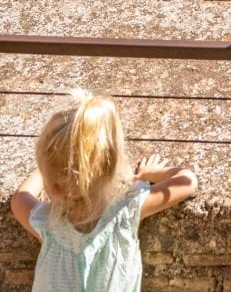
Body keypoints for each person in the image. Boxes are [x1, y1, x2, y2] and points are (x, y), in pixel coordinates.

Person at [10, 90, 198, 292]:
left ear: (52, 184)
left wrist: (50, 163)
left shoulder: (49, 225)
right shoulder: (126, 211)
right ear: (109, 167)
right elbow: (188, 181)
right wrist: (148, 174)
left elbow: (20, 198)